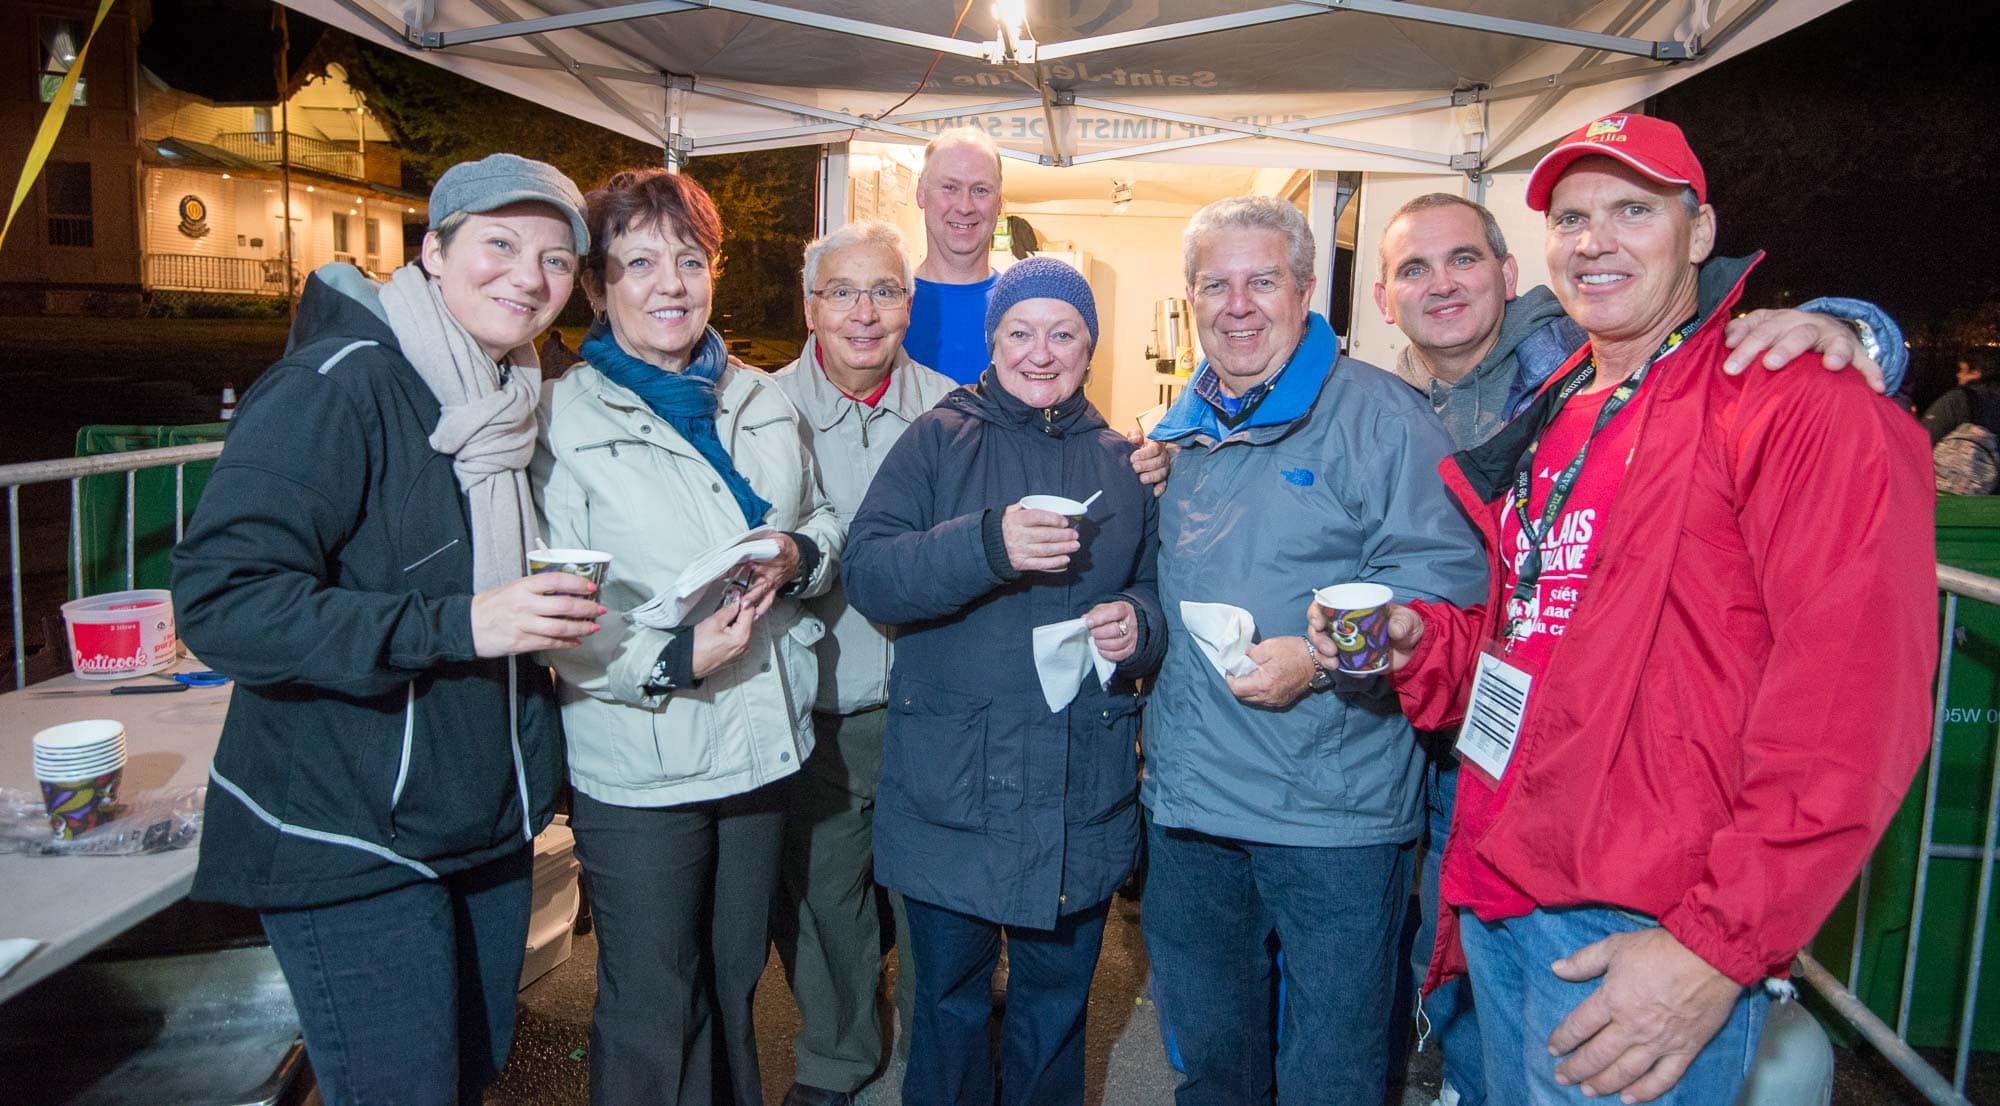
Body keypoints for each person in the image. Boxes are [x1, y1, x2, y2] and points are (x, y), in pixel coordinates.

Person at [1356, 113, 1934, 1105]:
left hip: (1641, 925)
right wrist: (1424, 646)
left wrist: (1714, 947)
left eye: (1631, 209)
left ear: (1698, 231)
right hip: (1498, 887)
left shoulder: (1794, 399)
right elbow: (1542, 634)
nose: (1595, 240)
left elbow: (1851, 705)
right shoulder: (1564, 409)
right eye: (1572, 217)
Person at [172, 153, 601, 1105]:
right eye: (500, 245)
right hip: (348, 827)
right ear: (433, 251)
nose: (529, 279)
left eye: (557, 260)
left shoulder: (512, 396)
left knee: (469, 1073)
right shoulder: (340, 384)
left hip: (482, 820)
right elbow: (221, 601)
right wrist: (463, 622)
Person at [1135, 195, 1490, 1106]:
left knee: (1331, 1073)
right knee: (1212, 1061)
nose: (1238, 303)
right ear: (1191, 298)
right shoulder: (1183, 428)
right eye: (1216, 284)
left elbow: (1445, 588)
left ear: (1305, 291)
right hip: (1191, 807)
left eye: (1263, 280)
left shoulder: (1381, 416)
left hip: (1331, 814)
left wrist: (1322, 657)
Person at [531, 167, 843, 1106]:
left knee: (733, 983)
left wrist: (797, 551)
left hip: (759, 747)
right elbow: (551, 599)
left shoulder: (760, 397)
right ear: (596, 286)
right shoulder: (560, 419)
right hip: (643, 763)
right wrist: (670, 657)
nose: (670, 284)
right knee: (652, 1003)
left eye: (688, 260)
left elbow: (823, 518)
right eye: (638, 264)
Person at [842, 257, 1164, 1106]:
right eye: (1020, 332)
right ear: (994, 340)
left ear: (1090, 346)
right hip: (956, 788)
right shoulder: (937, 439)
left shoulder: (1125, 465)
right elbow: (869, 573)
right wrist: (987, 545)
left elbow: (1155, 589)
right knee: (945, 1012)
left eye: (1063, 333)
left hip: (1074, 791)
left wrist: (1141, 625)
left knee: (1053, 1011)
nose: (1040, 351)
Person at [767, 219, 955, 1106]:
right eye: (843, 292)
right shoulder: (759, 410)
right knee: (823, 892)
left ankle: (933, 1052)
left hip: (930, 703)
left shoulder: (960, 411)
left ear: (909, 304)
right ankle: (838, 1054)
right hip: (819, 700)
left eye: (884, 291)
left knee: (931, 896)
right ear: (811, 307)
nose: (865, 313)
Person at [903, 126, 1005, 385]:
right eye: (950, 187)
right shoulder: (886, 308)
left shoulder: (1021, 309)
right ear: (921, 194)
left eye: (980, 190)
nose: (965, 206)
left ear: (1000, 203)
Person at [1921, 347, 2000, 445]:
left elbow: (1924, 439)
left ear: (1976, 373)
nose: (1958, 375)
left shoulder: (1957, 400)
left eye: (1963, 370)